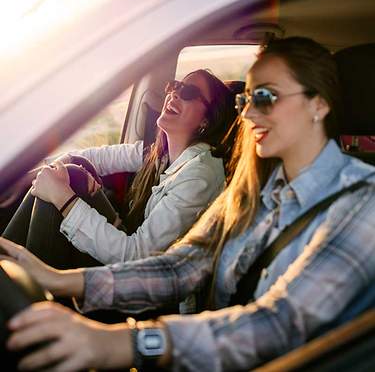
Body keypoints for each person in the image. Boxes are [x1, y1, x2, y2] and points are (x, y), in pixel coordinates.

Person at [2, 37, 375, 372]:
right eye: (247, 99)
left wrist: (122, 343)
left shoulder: (363, 204)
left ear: (319, 105)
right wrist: (61, 280)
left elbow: (278, 324)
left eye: (265, 97)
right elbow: (182, 267)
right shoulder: (253, 190)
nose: (246, 114)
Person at [3, 69, 237, 268]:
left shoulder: (200, 176)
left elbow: (137, 256)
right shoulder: (159, 153)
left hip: (145, 289)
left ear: (207, 120)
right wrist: (34, 176)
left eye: (188, 92)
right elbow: (93, 157)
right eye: (175, 86)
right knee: (73, 169)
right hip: (127, 256)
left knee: (68, 179)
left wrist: (63, 198)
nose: (175, 93)